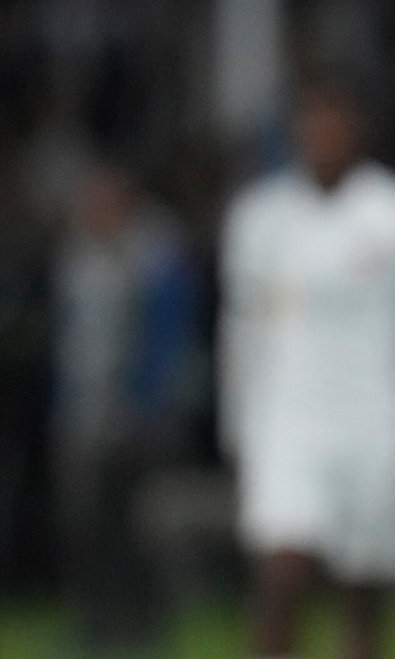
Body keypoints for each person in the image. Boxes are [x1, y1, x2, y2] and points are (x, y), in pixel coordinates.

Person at [218, 79, 395, 659]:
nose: (324, 136)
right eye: (313, 123)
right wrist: (237, 423)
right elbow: (240, 328)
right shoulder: (261, 218)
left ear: (358, 130)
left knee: (363, 593)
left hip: (377, 420)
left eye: (335, 123)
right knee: (280, 573)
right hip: (288, 421)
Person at [50, 163, 204, 657]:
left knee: (139, 527)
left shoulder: (153, 259)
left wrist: (149, 409)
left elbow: (164, 344)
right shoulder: (77, 263)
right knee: (87, 526)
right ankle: (95, 623)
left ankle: (146, 624)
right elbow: (69, 344)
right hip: (84, 417)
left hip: (137, 420)